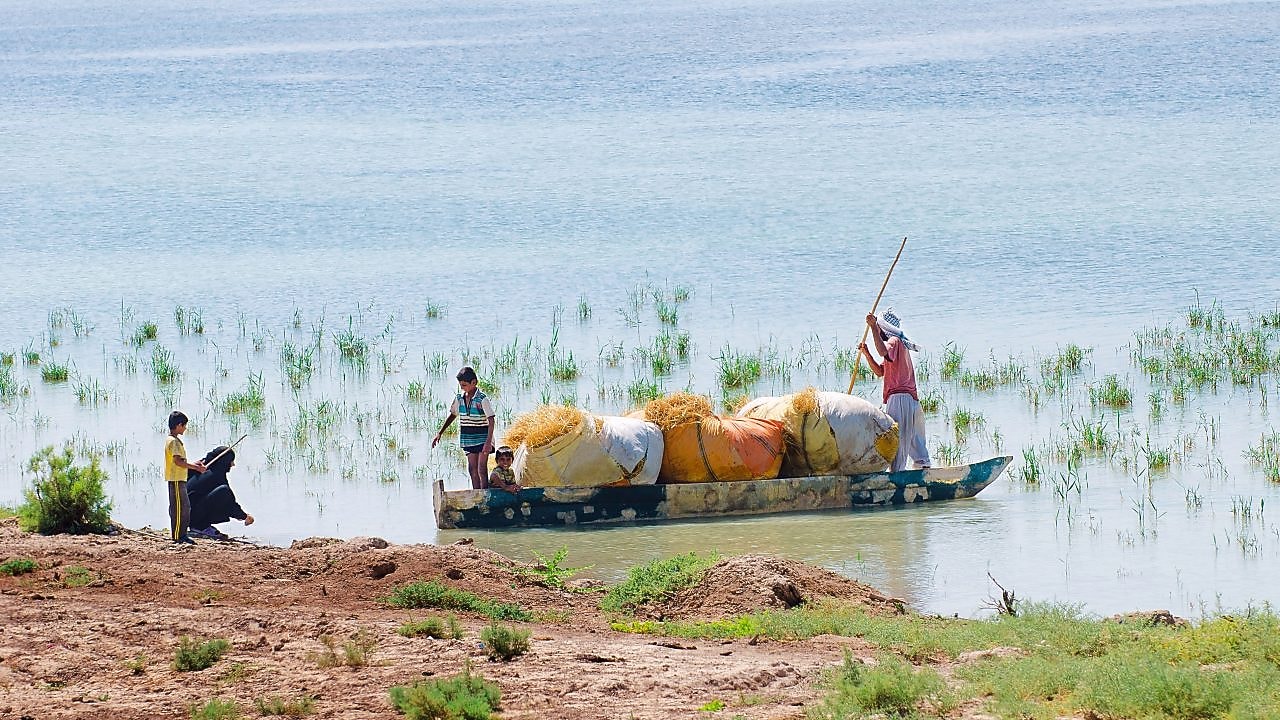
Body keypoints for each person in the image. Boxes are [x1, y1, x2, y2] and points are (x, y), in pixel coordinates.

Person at [859, 308, 932, 472]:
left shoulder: (894, 342)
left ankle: (897, 474)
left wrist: (872, 327)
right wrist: (867, 354)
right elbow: (880, 372)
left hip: (899, 397)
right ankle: (923, 467)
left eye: (879, 328)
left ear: (883, 328)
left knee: (898, 437)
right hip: (910, 399)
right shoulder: (899, 345)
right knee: (913, 437)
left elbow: (883, 351)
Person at [432, 366, 496, 489]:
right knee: (472, 469)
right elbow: (453, 415)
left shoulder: (482, 399)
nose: (462, 388)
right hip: (468, 438)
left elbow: (491, 420)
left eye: (465, 385)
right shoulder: (459, 399)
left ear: (474, 382)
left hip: (483, 438)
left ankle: (485, 495)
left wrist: (488, 442)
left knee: (481, 469)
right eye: (461, 385)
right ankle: (476, 494)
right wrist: (440, 433)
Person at [187, 446, 254, 541]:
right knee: (224, 491)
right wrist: (245, 516)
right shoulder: (216, 475)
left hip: (185, 514)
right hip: (191, 516)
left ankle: (200, 525)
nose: (233, 464)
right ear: (225, 461)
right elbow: (230, 502)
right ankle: (200, 526)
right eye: (231, 461)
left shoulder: (199, 468)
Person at [164, 411, 206, 544]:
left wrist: (194, 464)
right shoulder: (173, 442)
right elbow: (178, 461)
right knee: (178, 508)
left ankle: (182, 534)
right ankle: (177, 536)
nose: (185, 428)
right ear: (178, 425)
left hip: (180, 479)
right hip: (175, 479)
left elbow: (181, 460)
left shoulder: (175, 441)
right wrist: (196, 468)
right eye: (184, 425)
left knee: (185, 507)